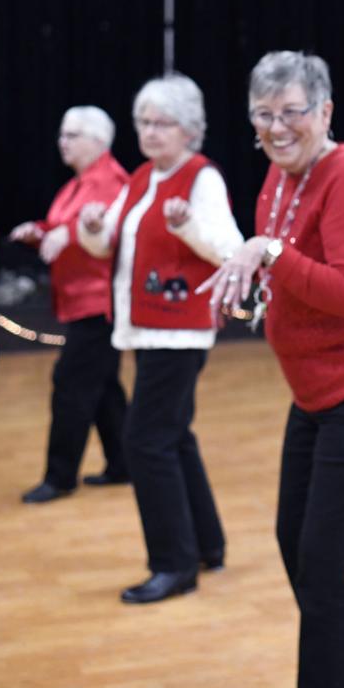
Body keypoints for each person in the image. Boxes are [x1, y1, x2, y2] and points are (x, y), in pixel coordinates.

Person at [200, 51, 344, 688]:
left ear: (323, 112)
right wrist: (252, 279)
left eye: (290, 112)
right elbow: (289, 268)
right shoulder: (278, 176)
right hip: (317, 390)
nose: (276, 127)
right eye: (263, 115)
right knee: (297, 543)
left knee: (322, 560)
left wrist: (268, 253)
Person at [78, 73, 242, 604]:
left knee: (145, 442)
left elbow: (227, 249)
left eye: (162, 122)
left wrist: (188, 224)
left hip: (178, 332)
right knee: (172, 435)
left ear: (189, 130)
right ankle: (207, 546)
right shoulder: (142, 177)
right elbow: (112, 252)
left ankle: (174, 564)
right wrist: (95, 228)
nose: (149, 132)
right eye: (143, 122)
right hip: (147, 328)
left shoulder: (202, 178)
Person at [12, 106, 130, 503]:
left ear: (99, 141)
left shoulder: (111, 180)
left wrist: (67, 233)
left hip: (100, 302)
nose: (63, 142)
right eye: (62, 134)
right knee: (103, 385)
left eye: (72, 135)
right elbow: (65, 224)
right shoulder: (79, 183)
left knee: (71, 384)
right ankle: (123, 463)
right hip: (80, 299)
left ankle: (60, 477)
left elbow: (108, 231)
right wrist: (40, 231)